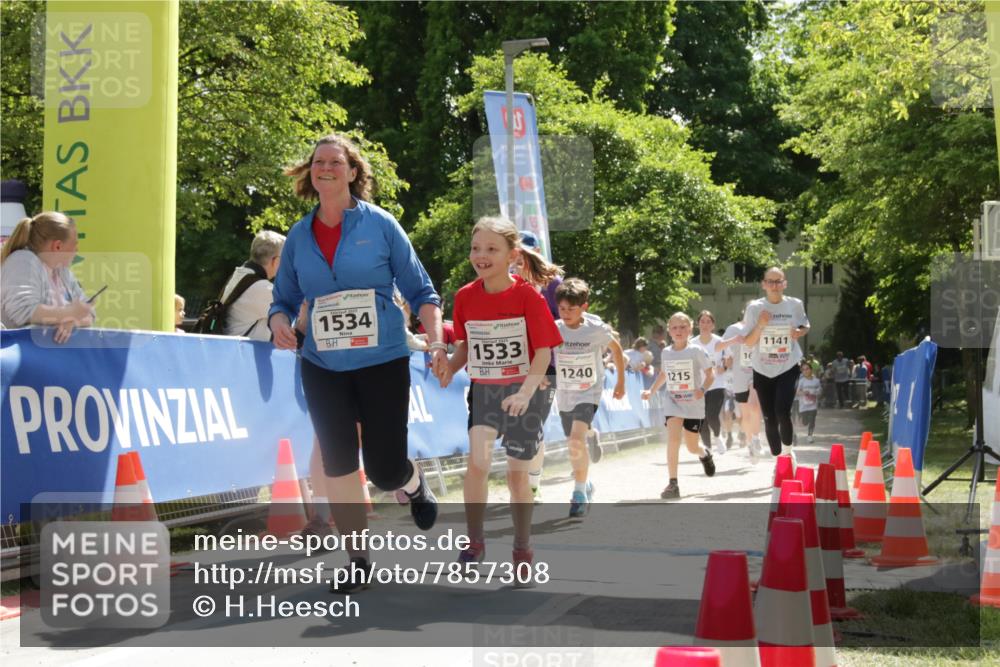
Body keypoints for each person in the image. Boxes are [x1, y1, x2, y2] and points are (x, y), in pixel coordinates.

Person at [268, 133, 447, 593]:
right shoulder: (299, 235)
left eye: (335, 161)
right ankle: (358, 560)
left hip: (381, 360)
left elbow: (422, 292)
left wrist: (436, 341)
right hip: (322, 364)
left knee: (384, 469)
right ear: (310, 173)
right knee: (339, 463)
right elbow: (282, 299)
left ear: (352, 172)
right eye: (318, 162)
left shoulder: (381, 225)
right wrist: (278, 322)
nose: (325, 168)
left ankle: (411, 482)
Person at [440, 216, 563, 576]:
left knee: (516, 476)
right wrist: (450, 365)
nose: (481, 255)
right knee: (477, 463)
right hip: (485, 389)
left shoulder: (527, 296)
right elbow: (466, 346)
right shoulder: (465, 296)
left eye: (491, 249)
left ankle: (522, 546)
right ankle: (474, 542)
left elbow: (543, 352)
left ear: (512, 256)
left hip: (528, 390)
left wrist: (524, 393)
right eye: (476, 248)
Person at [553, 277, 626, 519]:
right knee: (574, 443)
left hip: (589, 390)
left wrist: (621, 382)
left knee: (576, 440)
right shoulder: (554, 328)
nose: (566, 314)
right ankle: (587, 480)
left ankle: (578, 493)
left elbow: (616, 350)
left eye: (571, 309)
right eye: (562, 308)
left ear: (584, 307)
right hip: (565, 392)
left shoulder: (595, 329)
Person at [641, 312, 716, 500]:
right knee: (673, 439)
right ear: (669, 331)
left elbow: (710, 374)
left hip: (693, 404)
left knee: (691, 446)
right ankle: (673, 483)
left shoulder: (696, 351)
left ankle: (704, 454)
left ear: (690, 329)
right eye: (674, 327)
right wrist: (651, 391)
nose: (678, 331)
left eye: (683, 327)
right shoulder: (666, 352)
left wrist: (702, 389)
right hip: (673, 401)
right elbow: (664, 374)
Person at [740, 267, 811, 465]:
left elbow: (805, 325)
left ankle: (788, 453)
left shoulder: (794, 304)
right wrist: (761, 325)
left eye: (778, 281)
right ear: (764, 284)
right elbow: (748, 342)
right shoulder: (754, 308)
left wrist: (799, 332)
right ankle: (778, 458)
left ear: (784, 284)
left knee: (782, 411)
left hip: (788, 365)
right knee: (769, 418)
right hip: (762, 368)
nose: (774, 285)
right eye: (770, 281)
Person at [516, 230, 563, 503]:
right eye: (516, 252)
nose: (519, 259)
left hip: (546, 365)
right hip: (514, 365)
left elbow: (565, 321)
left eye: (525, 252)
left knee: (532, 425)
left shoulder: (553, 284)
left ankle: (532, 486)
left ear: (536, 252)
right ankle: (524, 481)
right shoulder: (506, 283)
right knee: (519, 427)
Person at [1, 211, 94, 343]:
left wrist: (72, 322)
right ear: (57, 246)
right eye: (75, 243)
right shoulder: (22, 261)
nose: (77, 249)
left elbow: (89, 314)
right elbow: (22, 311)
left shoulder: (63, 272)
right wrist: (68, 314)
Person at [220, 230, 286, 341]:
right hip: (241, 351)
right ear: (276, 261)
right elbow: (298, 311)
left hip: (232, 348)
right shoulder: (260, 289)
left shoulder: (241, 275)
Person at [721, 309, 764, 464]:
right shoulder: (734, 329)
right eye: (750, 311)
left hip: (758, 373)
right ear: (744, 312)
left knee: (755, 406)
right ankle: (750, 442)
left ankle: (756, 438)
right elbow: (725, 351)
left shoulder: (764, 327)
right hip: (740, 375)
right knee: (745, 415)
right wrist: (728, 359)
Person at [692, 310, 727, 456]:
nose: (705, 324)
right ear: (698, 324)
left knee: (712, 415)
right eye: (702, 321)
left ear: (713, 325)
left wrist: (723, 367)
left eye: (708, 322)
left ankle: (718, 436)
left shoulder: (719, 341)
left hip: (716, 384)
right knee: (702, 418)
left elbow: (728, 359)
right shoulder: (692, 343)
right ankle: (708, 449)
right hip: (699, 386)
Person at [796, 361, 821, 444]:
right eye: (803, 370)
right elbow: (797, 392)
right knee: (805, 422)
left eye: (807, 369)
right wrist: (803, 392)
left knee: (812, 420)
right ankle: (802, 421)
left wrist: (815, 392)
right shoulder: (801, 381)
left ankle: (810, 436)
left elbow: (820, 390)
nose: (805, 371)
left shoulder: (816, 381)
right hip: (803, 405)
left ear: (811, 370)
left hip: (813, 404)